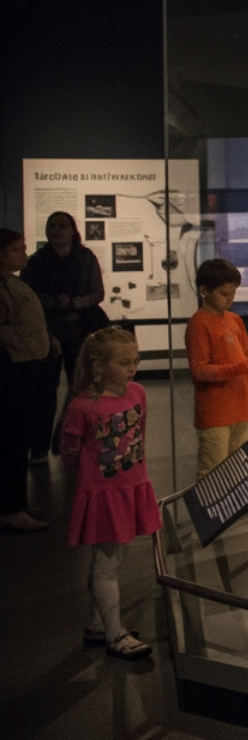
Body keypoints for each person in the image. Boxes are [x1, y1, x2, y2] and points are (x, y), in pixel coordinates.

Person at [60, 327, 161, 661]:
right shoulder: (83, 407)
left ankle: (97, 624)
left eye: (135, 360)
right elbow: (70, 451)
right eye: (124, 362)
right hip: (104, 492)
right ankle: (115, 634)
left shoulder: (138, 393)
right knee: (106, 565)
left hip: (129, 485)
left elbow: (140, 436)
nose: (132, 367)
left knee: (113, 559)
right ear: (99, 365)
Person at [20, 210, 104, 463]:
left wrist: (75, 302)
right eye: (53, 226)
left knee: (83, 389)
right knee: (45, 393)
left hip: (82, 331)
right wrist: (57, 303)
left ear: (72, 229)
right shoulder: (36, 262)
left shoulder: (85, 257)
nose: (58, 230)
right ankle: (39, 448)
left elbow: (97, 292)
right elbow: (29, 298)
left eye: (63, 226)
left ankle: (78, 443)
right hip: (48, 333)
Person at [186, 259, 248, 479]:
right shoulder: (199, 323)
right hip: (216, 410)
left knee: (236, 471)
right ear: (205, 291)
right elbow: (200, 371)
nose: (230, 299)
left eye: (233, 294)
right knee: (213, 472)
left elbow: (244, 360)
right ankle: (211, 514)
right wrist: (246, 365)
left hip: (241, 406)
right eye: (224, 294)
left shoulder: (235, 320)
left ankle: (232, 514)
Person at [0, 229, 56, 531]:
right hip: (14, 368)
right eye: (16, 249)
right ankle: (11, 506)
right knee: (12, 438)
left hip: (26, 365)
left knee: (18, 437)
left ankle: (16, 502)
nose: (24, 253)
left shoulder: (12, 282)